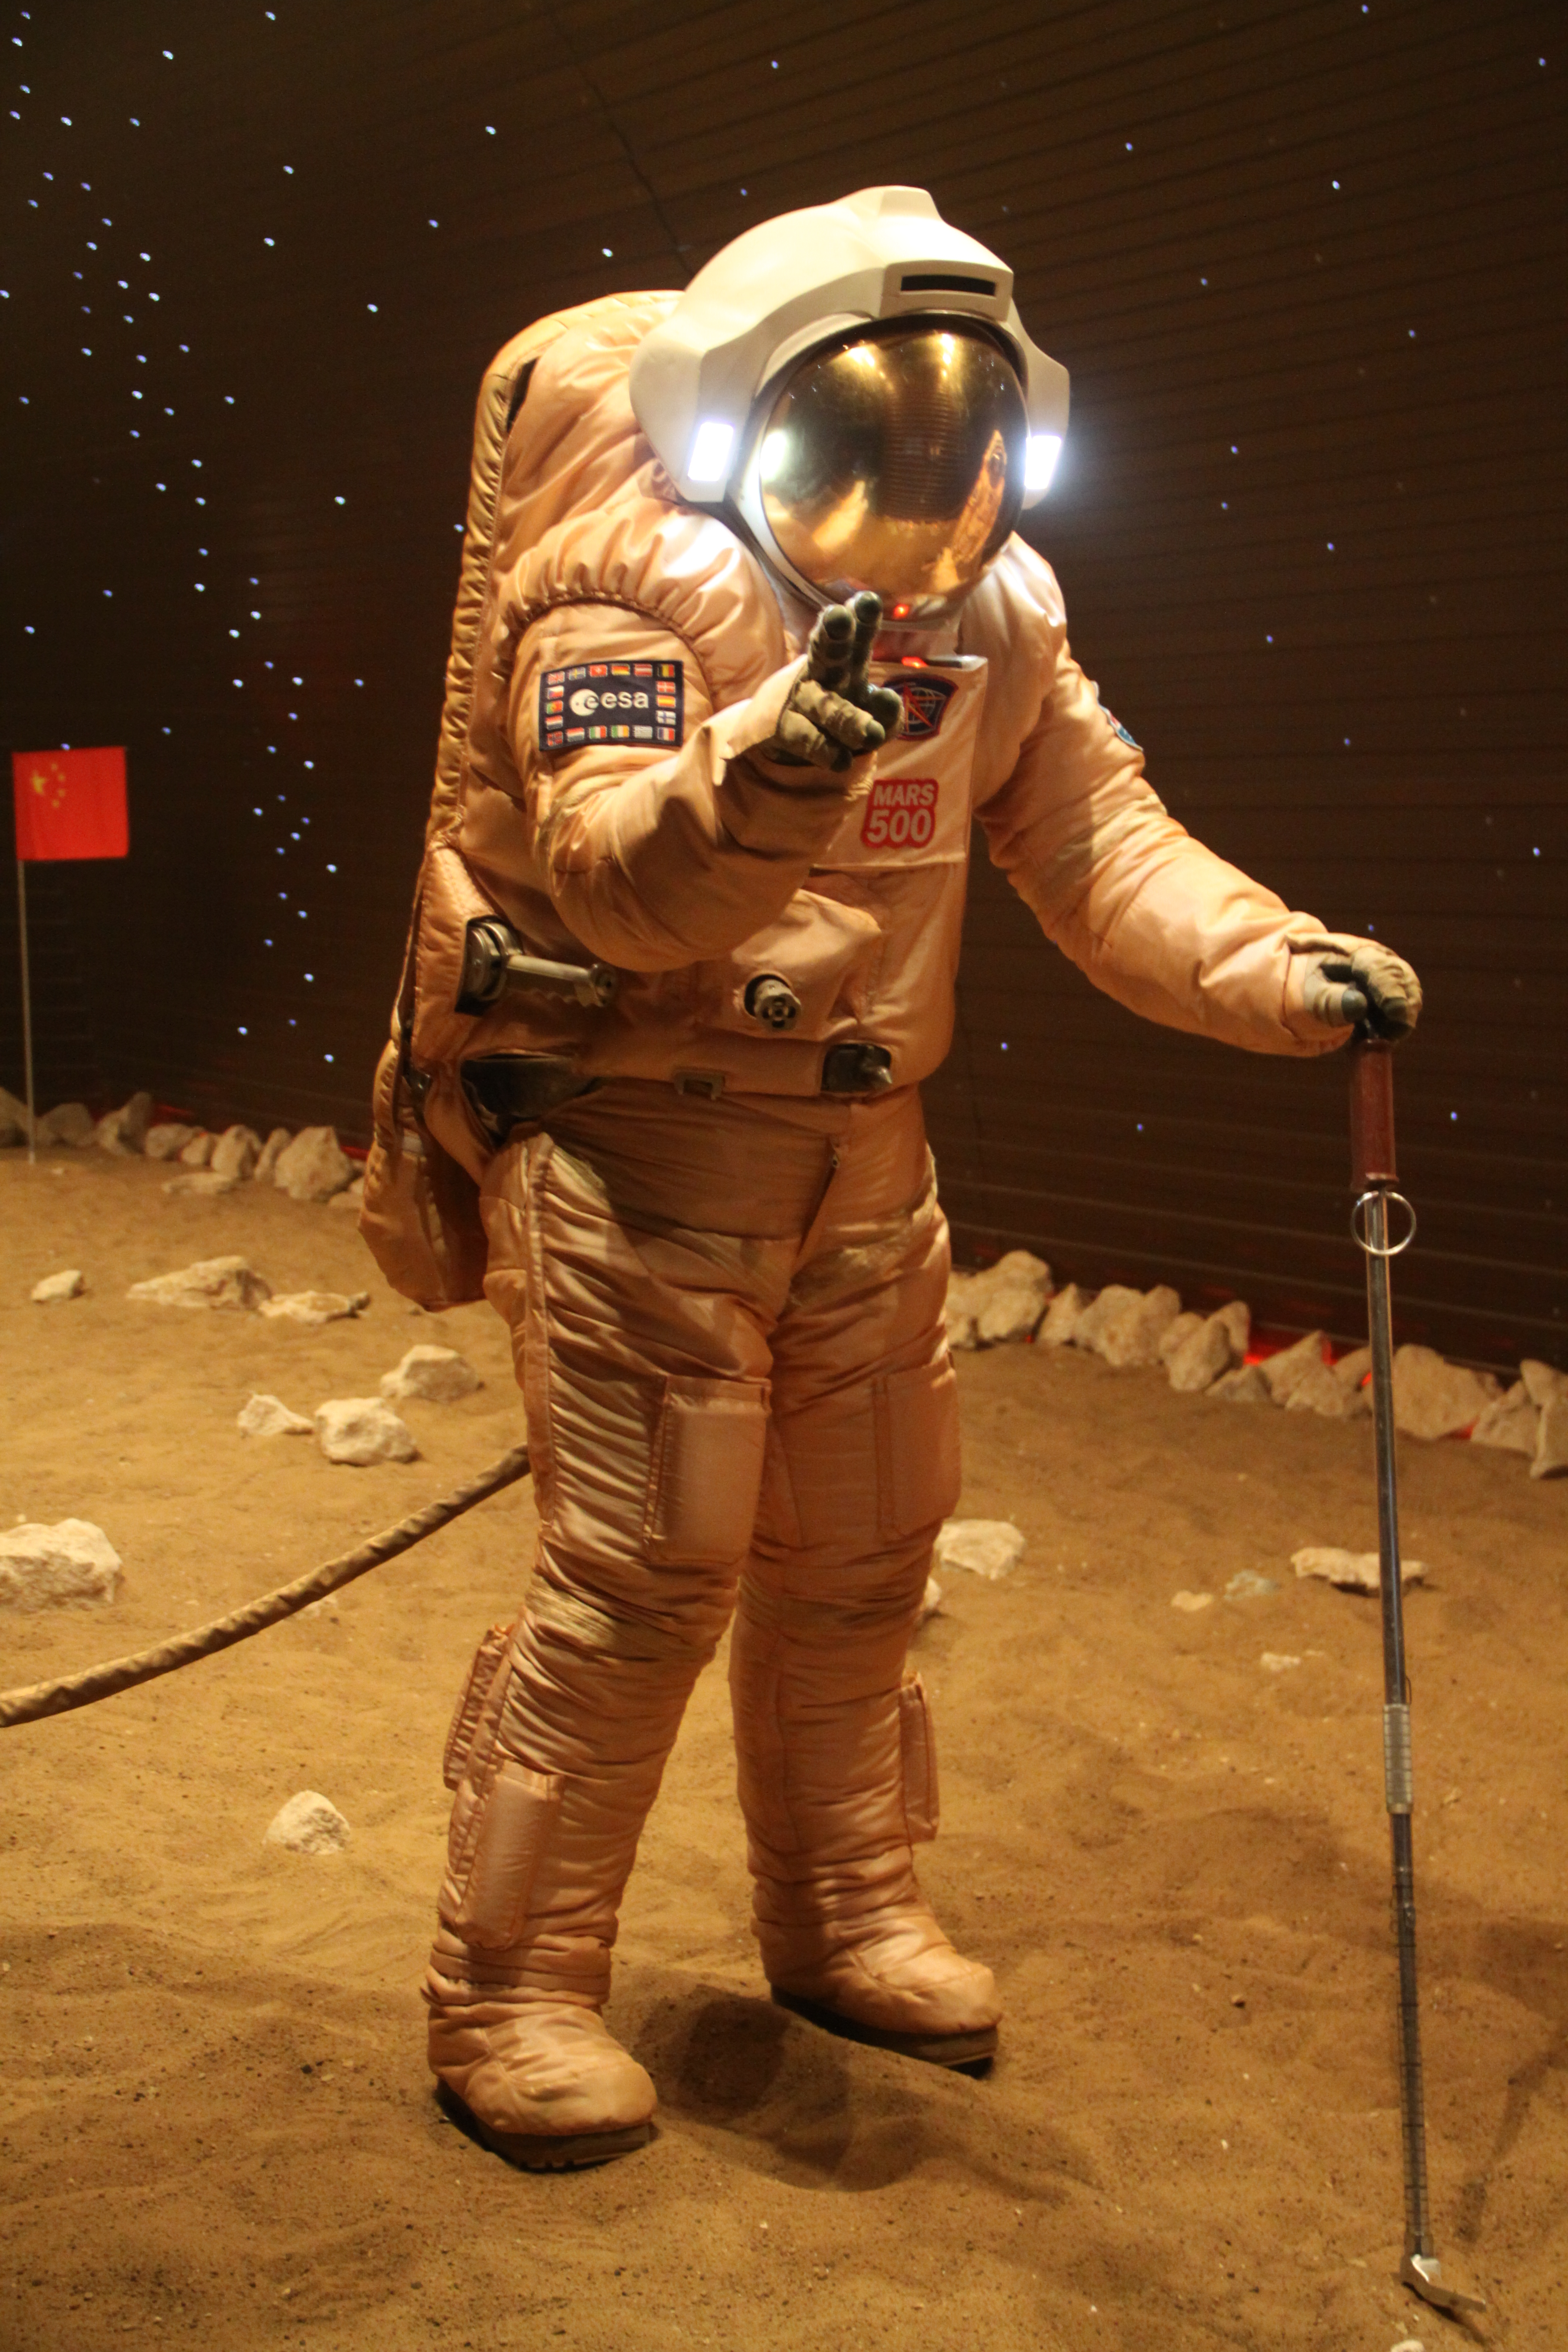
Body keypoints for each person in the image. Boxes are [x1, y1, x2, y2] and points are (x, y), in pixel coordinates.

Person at [361, 186, 1421, 2170]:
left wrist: (1279, 971)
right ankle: (509, 1985)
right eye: (882, 441)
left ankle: (843, 1910)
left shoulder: (997, 616)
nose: (927, 487)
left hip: (865, 1156)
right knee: (643, 1579)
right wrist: (761, 778)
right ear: (751, 412)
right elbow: (613, 879)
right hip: (644, 1138)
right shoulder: (627, 592)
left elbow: (1102, 844)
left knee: (861, 1566)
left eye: (964, 443)